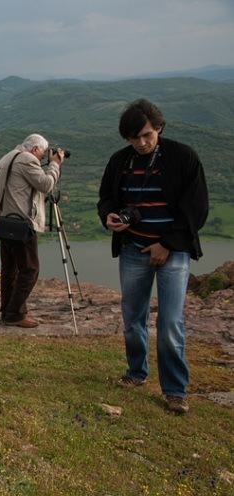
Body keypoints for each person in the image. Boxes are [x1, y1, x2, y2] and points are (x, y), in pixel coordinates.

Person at [98, 99, 208, 415]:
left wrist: (167, 244)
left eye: (147, 135)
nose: (142, 143)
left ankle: (175, 390)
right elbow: (106, 198)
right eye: (135, 138)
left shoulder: (183, 157)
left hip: (172, 252)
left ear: (158, 128)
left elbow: (196, 208)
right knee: (133, 318)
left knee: (170, 321)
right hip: (133, 249)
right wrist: (109, 216)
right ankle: (136, 372)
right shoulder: (120, 161)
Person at [0, 134, 64, 327]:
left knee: (10, 269)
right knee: (29, 270)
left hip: (4, 222)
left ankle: (7, 310)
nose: (41, 159)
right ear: (34, 150)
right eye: (42, 154)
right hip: (21, 225)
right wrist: (55, 164)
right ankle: (15, 314)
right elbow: (47, 184)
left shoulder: (8, 157)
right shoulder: (27, 159)